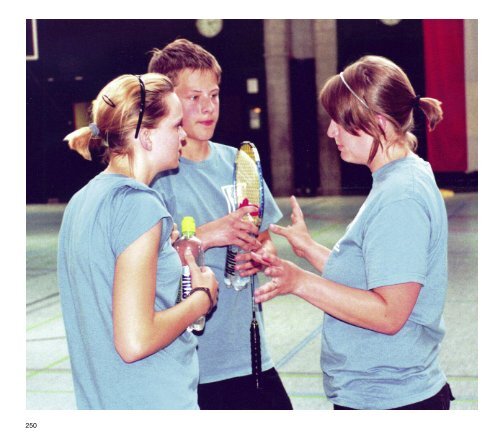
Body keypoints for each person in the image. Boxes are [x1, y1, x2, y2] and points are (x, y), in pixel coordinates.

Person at [251, 55, 454, 410]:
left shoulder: (399, 197)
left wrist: (300, 282)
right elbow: (371, 277)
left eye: (340, 122)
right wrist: (309, 249)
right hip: (384, 395)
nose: (331, 132)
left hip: (392, 400)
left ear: (377, 123)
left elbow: (389, 314)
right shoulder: (399, 177)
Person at [58, 73, 218, 409]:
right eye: (175, 126)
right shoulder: (139, 206)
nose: (184, 135)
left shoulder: (81, 201)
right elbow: (134, 340)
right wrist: (202, 298)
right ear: (145, 136)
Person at [148, 39, 292, 410]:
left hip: (251, 358)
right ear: (167, 100)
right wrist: (211, 235)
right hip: (191, 369)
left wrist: (261, 255)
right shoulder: (156, 178)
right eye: (194, 97)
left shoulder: (238, 162)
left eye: (213, 94)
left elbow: (264, 241)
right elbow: (149, 268)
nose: (208, 106)